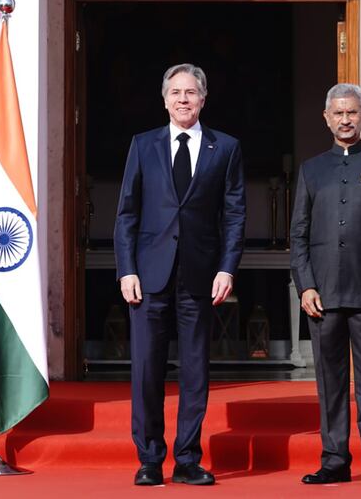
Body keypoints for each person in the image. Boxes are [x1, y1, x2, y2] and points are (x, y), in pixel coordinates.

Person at [114, 63, 246, 486]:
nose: (183, 99)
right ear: (164, 98)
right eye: (176, 92)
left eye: (191, 92)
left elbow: (235, 214)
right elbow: (126, 213)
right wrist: (126, 270)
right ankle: (150, 457)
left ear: (203, 98)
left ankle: (188, 458)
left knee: (195, 371)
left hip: (201, 276)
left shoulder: (225, 148)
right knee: (147, 371)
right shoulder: (143, 144)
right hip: (148, 276)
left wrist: (227, 267)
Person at [290, 83, 361, 487]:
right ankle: (335, 460)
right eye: (338, 113)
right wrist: (305, 285)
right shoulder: (311, 169)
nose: (345, 120)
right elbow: (299, 236)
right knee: (331, 380)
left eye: (352, 113)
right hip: (323, 293)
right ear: (327, 118)